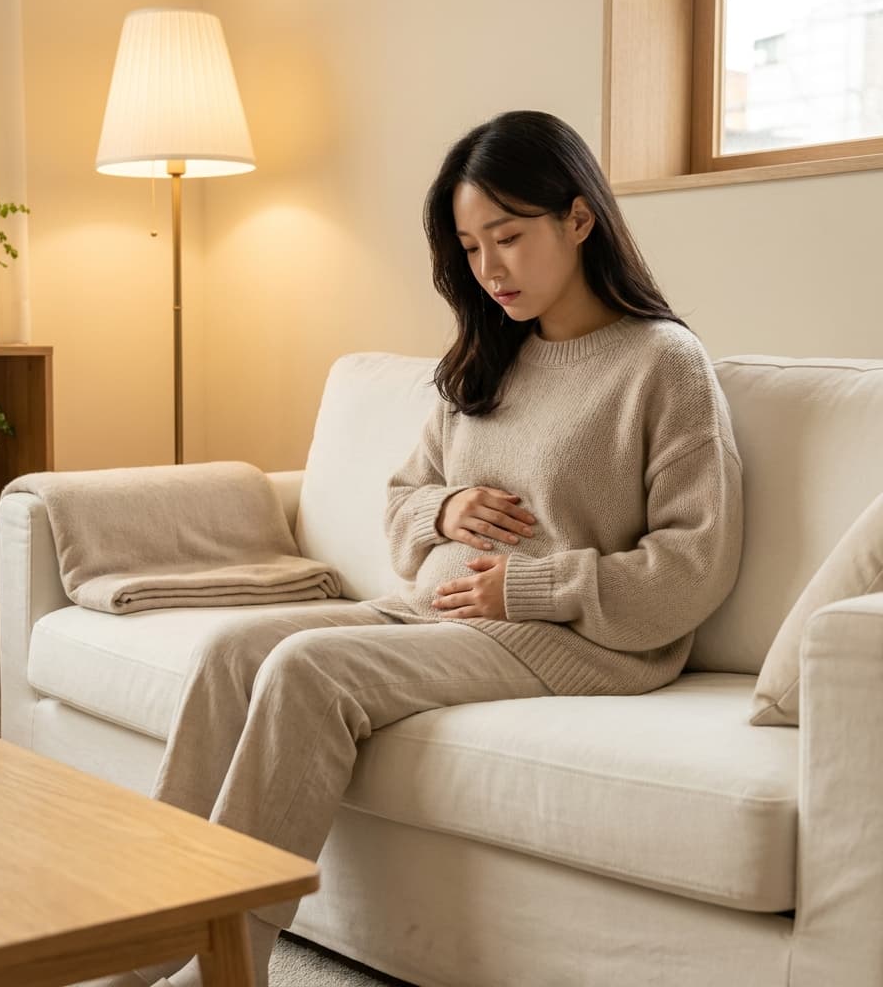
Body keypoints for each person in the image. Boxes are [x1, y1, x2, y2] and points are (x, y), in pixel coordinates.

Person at [95, 110, 743, 987]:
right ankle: (141, 935)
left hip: (572, 641)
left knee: (308, 670)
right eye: (471, 248)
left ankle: (226, 969)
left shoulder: (661, 364)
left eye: (508, 238)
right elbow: (400, 508)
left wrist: (530, 586)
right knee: (229, 650)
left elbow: (696, 565)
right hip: (432, 611)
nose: (490, 270)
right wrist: (446, 509)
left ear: (579, 218)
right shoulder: (486, 357)